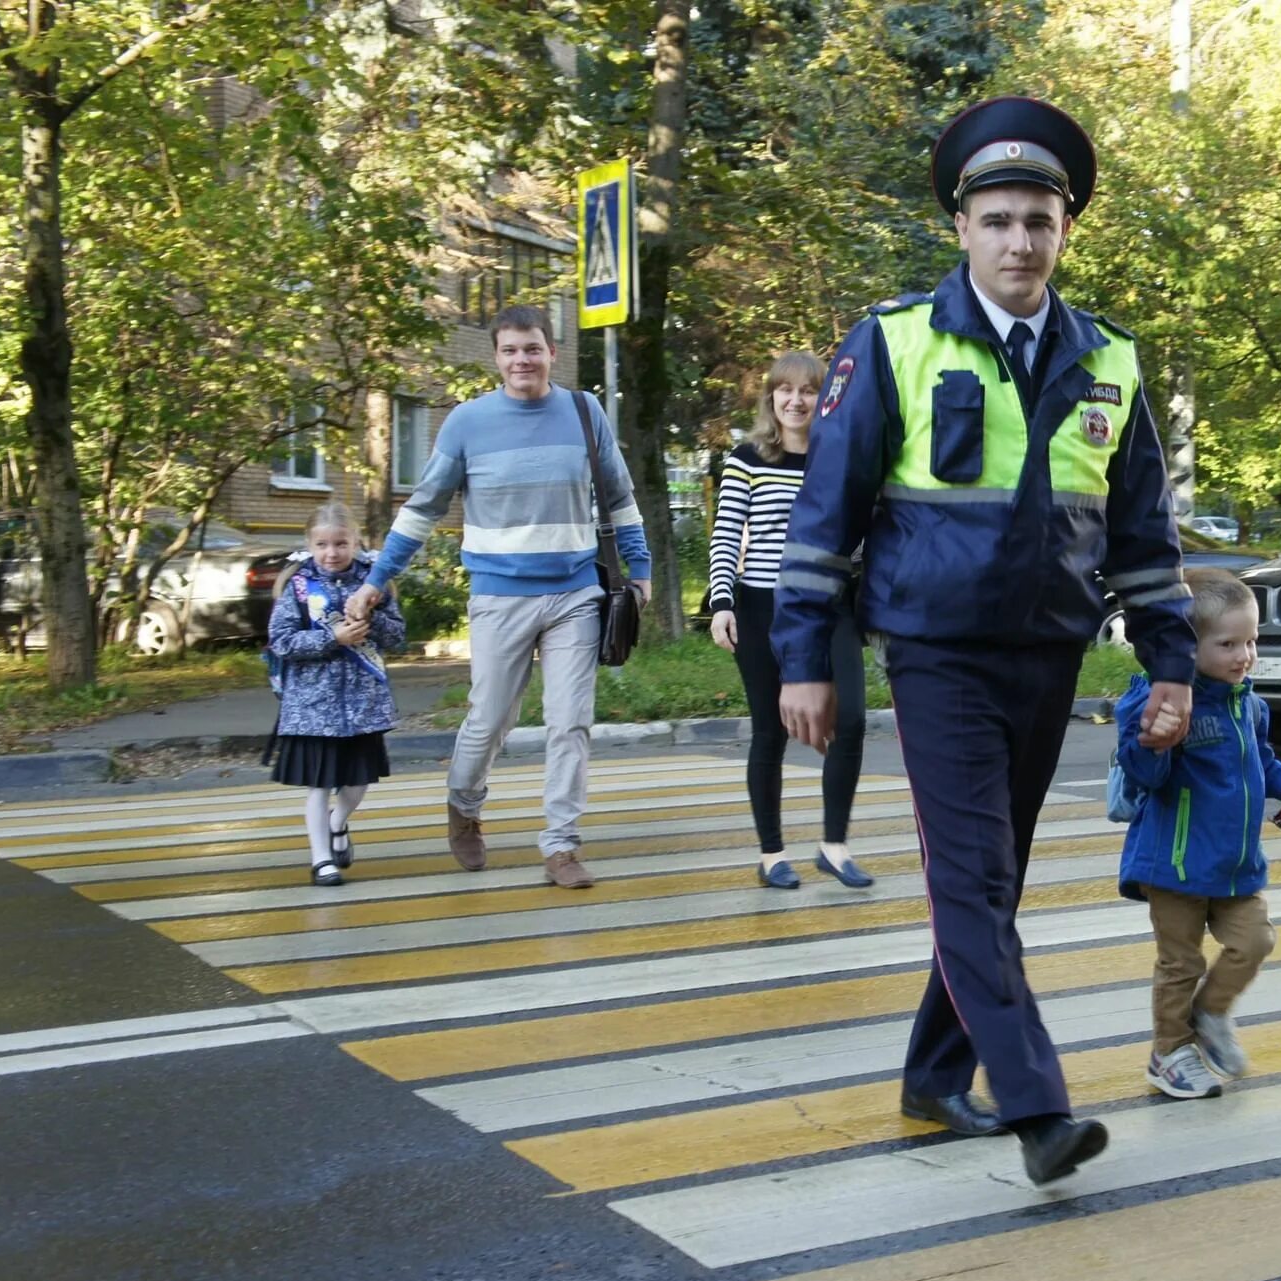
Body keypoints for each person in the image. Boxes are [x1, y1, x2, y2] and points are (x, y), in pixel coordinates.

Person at [772, 96, 1198, 1187]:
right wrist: (804, 658)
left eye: (1039, 221)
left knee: (989, 884)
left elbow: (1143, 536)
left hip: (1047, 649)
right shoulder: (892, 341)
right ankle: (1035, 1104)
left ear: (1064, 232)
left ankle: (930, 1071)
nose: (1019, 241)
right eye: (998, 219)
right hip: (933, 649)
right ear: (961, 228)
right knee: (969, 877)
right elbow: (825, 512)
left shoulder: (1110, 359)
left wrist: (1171, 664)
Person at [345, 303, 652, 889]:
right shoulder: (467, 422)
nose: (522, 360)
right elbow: (423, 508)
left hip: (574, 593)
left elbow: (620, 498)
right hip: (499, 596)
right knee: (489, 720)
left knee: (570, 723)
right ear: (496, 358)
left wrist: (640, 567)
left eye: (532, 348)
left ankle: (561, 847)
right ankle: (464, 805)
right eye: (510, 350)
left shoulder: (586, 413)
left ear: (552, 353)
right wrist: (376, 579)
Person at [1114, 568, 1281, 1099]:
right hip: (1175, 865)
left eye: (1251, 641)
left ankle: (1211, 1013)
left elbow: (1263, 760)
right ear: (1186, 646)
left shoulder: (1246, 703)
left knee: (1255, 940)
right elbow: (1144, 775)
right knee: (1180, 964)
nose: (1244, 655)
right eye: (1227, 643)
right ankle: (1169, 1054)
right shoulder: (1157, 701)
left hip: (1234, 863)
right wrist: (1155, 741)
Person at [708, 351, 873, 890]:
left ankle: (834, 844)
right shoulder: (748, 458)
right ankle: (771, 852)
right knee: (769, 731)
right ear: (771, 397)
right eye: (786, 390)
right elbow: (727, 532)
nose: (796, 401)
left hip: (833, 603)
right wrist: (721, 603)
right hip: (762, 605)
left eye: (808, 391)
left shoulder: (838, 457)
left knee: (849, 720)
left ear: (824, 399)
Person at [265, 502, 406, 887]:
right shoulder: (297, 585)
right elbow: (281, 641)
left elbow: (397, 635)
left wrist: (371, 620)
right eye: (323, 544)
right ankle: (321, 859)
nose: (332, 553)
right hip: (313, 707)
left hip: (363, 704)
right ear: (310, 544)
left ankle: (337, 823)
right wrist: (332, 638)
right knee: (319, 785)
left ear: (356, 541)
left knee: (358, 783)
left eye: (341, 543)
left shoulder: (373, 583)